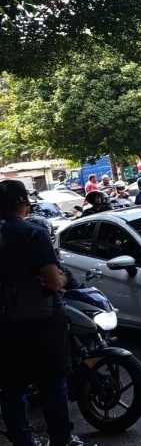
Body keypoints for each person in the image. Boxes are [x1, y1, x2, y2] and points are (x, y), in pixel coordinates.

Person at [0, 179, 89, 446]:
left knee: (12, 388)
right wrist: (61, 278)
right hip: (42, 322)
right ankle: (61, 439)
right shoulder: (33, 233)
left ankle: (22, 440)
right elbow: (53, 281)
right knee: (53, 383)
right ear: (22, 202)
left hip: (5, 326)